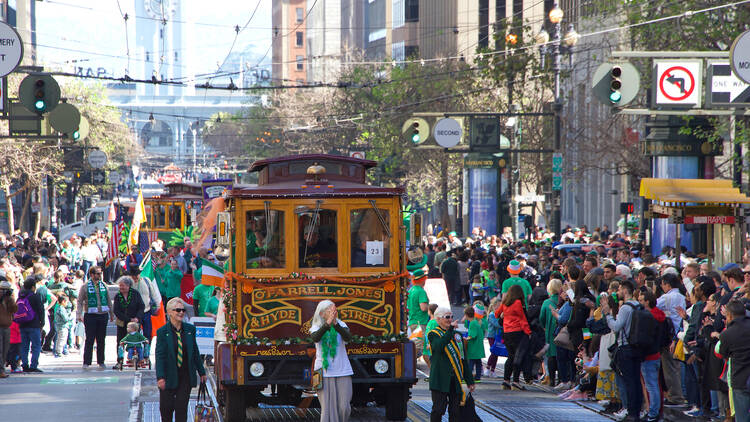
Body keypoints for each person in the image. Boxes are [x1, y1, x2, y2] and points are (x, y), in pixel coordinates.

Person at [156, 298, 207, 422]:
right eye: (177, 310)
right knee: (166, 409)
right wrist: (160, 377)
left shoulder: (190, 330)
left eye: (183, 310)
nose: (181, 312)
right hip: (169, 375)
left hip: (185, 375)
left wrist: (202, 372)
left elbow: (195, 351)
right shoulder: (162, 332)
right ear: (169, 312)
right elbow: (160, 356)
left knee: (181, 408)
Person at [602, 280, 643, 422]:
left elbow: (616, 326)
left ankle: (632, 413)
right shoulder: (639, 305)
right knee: (636, 381)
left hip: (625, 347)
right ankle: (636, 411)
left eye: (619, 289)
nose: (618, 292)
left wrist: (608, 314)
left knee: (629, 381)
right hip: (637, 347)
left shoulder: (626, 307)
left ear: (625, 290)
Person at [428, 306, 475, 422]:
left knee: (455, 411)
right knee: (438, 410)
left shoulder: (457, 335)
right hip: (440, 379)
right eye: (447, 317)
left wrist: (469, 380)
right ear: (438, 319)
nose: (450, 319)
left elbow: (463, 359)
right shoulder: (433, 334)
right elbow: (438, 347)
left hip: (455, 380)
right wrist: (450, 332)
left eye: (451, 317)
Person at [310, 300, 353, 422]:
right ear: (322, 313)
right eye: (330, 311)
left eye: (334, 311)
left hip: (343, 370)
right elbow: (316, 338)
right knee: (327, 409)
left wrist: (336, 324)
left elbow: (348, 338)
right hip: (322, 371)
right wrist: (327, 324)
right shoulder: (316, 327)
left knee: (344, 407)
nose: (333, 313)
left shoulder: (341, 325)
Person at [656, 272, 687, 406]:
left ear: (667, 285)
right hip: (680, 334)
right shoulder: (681, 296)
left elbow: (653, 306)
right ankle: (680, 394)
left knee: (670, 368)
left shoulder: (666, 297)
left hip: (669, 337)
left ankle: (675, 397)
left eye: (662, 284)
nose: (662, 287)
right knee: (677, 367)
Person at [717, 300, 750, 422]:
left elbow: (723, 354)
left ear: (729, 315)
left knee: (742, 416)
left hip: (740, 379)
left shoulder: (727, 334)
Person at [496, 284, 532, 389]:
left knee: (511, 356)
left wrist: (504, 315)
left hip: (506, 333)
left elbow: (496, 314)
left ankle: (506, 381)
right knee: (518, 356)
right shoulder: (518, 303)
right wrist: (528, 332)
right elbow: (522, 319)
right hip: (517, 332)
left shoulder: (505, 303)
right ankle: (516, 381)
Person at [77, 266, 114, 369]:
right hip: (90, 315)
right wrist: (79, 314)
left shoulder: (104, 285)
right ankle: (87, 361)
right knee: (90, 339)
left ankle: (101, 361)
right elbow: (79, 301)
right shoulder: (85, 286)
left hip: (102, 314)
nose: (99, 275)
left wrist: (111, 314)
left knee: (101, 339)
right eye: (97, 273)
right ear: (92, 274)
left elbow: (108, 299)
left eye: (100, 273)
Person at [17, 276, 45, 372]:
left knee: (24, 346)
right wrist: (42, 322)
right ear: (33, 287)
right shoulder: (35, 296)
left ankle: (24, 364)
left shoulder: (20, 296)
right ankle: (33, 365)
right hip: (34, 325)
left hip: (22, 324)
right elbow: (41, 310)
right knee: (36, 345)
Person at [407, 270, 430, 360]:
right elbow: (423, 307)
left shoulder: (411, 290)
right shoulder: (421, 291)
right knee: (418, 348)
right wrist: (432, 308)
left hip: (413, 321)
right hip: (420, 322)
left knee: (420, 347)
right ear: (422, 279)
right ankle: (408, 365)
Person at [0, 278, 18, 378]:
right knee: (0, 349)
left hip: (7, 326)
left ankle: (1, 369)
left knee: (5, 349)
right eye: (2, 289)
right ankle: (1, 371)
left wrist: (11, 298)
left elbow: (14, 309)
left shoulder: (8, 299)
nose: (4, 292)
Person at [464, 306, 485, 382]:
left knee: (471, 363)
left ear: (466, 315)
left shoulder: (472, 323)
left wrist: (466, 339)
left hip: (474, 347)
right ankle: (478, 377)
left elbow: (472, 335)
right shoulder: (476, 322)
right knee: (478, 362)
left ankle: (468, 377)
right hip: (478, 346)